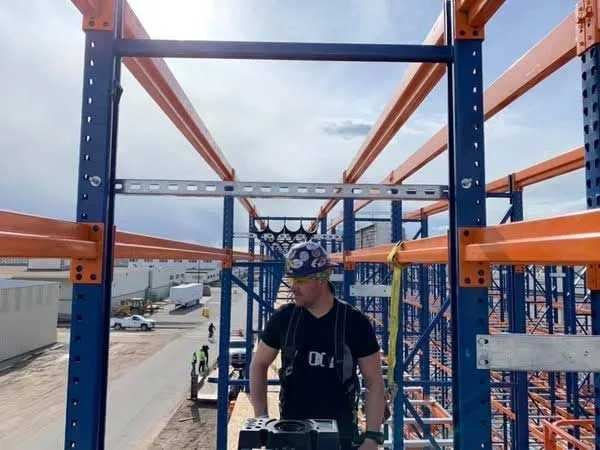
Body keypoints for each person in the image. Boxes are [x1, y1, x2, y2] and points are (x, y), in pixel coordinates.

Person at [250, 241, 386, 450]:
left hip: (340, 439)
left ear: (322, 279)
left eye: (300, 280)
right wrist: (262, 417)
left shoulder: (355, 323)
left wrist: (372, 437)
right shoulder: (284, 319)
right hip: (291, 435)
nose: (293, 287)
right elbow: (258, 364)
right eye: (292, 279)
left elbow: (374, 381)